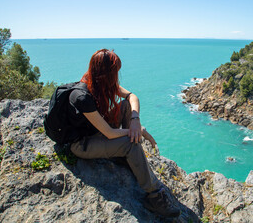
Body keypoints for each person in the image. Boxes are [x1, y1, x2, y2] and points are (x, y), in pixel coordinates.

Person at [67, 49, 180, 217]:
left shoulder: (101, 83)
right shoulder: (83, 96)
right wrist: (139, 132)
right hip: (81, 144)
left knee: (126, 106)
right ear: (105, 73)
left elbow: (132, 96)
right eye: (115, 72)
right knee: (130, 144)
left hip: (98, 131)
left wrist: (135, 120)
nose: (117, 75)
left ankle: (128, 154)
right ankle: (154, 195)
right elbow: (110, 133)